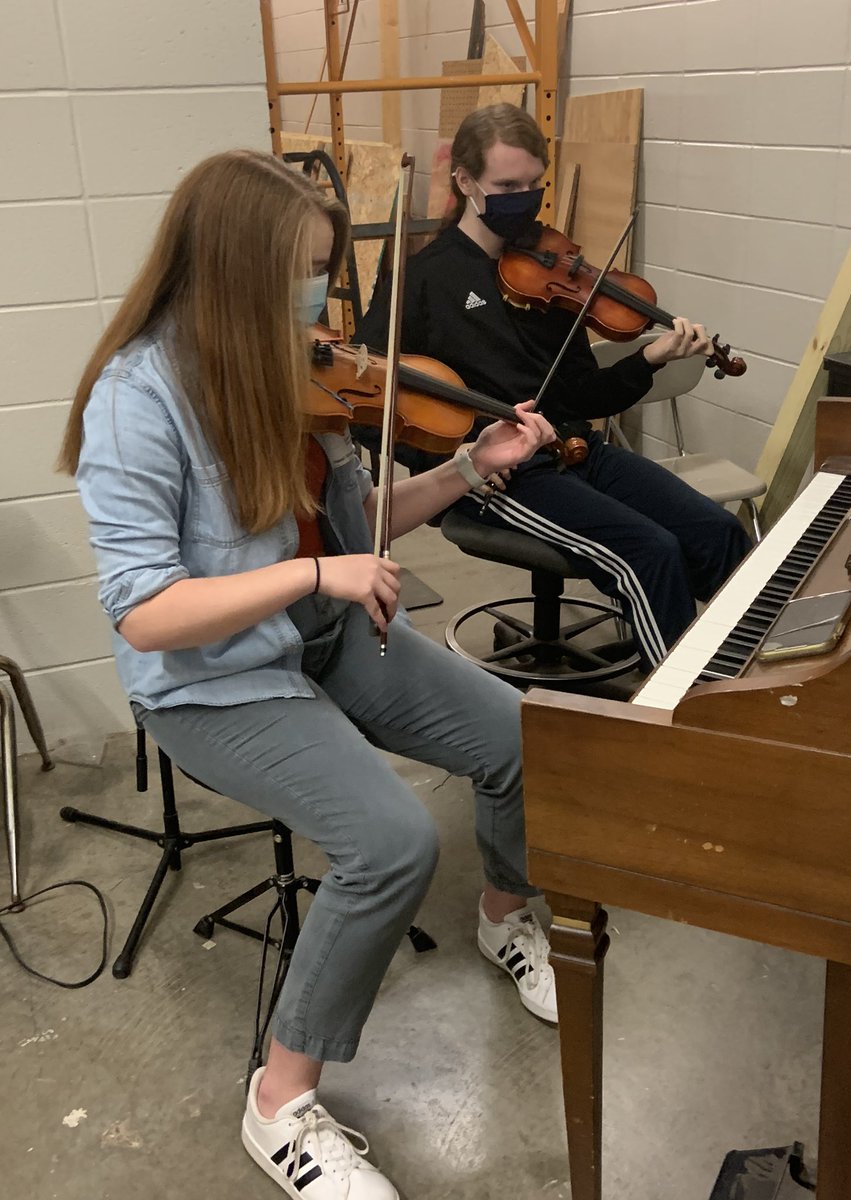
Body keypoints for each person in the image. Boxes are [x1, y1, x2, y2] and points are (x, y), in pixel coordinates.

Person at [59, 149, 557, 1200]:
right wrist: (315, 570)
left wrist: (472, 469)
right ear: (232, 266)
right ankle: (279, 1102)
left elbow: (352, 526)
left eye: (327, 269)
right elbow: (147, 613)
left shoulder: (295, 369)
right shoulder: (138, 399)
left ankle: (507, 916)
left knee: (523, 737)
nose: (322, 297)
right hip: (214, 680)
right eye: (306, 270)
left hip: (316, 632)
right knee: (390, 840)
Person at [357, 104, 752, 673]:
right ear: (465, 181)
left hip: (572, 448)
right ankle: (683, 710)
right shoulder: (421, 281)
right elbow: (371, 403)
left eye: (533, 185)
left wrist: (650, 357)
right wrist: (460, 457)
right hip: (492, 478)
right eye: (506, 185)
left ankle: (755, 678)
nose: (524, 198)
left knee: (716, 532)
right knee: (647, 553)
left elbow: (584, 397)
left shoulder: (550, 270)